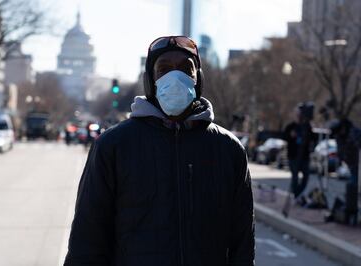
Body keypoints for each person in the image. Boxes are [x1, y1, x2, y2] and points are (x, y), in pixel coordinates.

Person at [64, 36, 255, 266]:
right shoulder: (113, 145)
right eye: (164, 69)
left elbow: (242, 243)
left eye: (186, 69)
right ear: (150, 81)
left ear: (198, 80)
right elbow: (87, 239)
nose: (175, 77)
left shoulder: (228, 149)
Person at [284, 103, 315, 200]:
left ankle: (298, 193)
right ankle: (296, 195)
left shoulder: (307, 127)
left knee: (306, 176)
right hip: (293, 156)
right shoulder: (290, 127)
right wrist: (290, 135)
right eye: (297, 114)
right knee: (295, 176)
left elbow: (313, 139)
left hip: (305, 157)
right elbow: (284, 137)